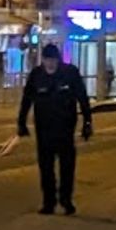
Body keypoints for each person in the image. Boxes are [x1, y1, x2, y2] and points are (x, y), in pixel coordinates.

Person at [15, 43, 92, 215]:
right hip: (44, 129)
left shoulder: (70, 73)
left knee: (67, 167)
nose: (50, 65)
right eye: (47, 61)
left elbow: (82, 97)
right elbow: (27, 100)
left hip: (65, 129)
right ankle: (48, 202)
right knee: (46, 168)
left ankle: (66, 199)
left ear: (58, 60)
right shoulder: (37, 75)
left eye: (53, 61)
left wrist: (87, 122)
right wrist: (21, 122)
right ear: (43, 60)